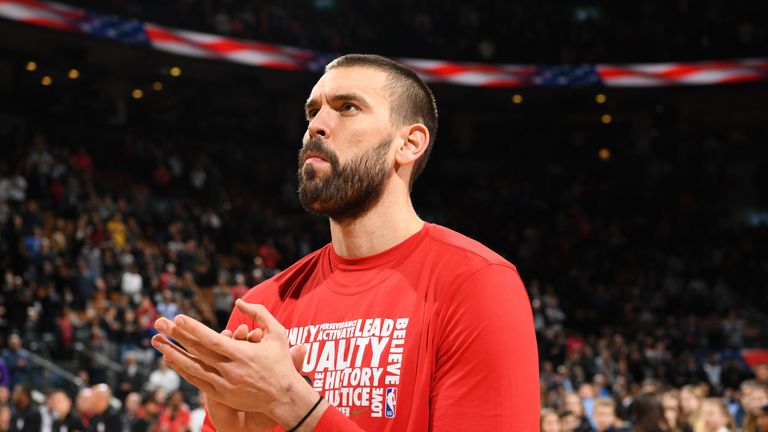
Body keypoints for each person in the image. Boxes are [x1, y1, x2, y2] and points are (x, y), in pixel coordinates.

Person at [151, 53, 539, 431]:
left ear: (409, 143)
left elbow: (294, 405)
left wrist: (295, 406)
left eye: (348, 107)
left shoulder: (477, 284)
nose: (316, 126)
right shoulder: (260, 308)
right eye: (312, 111)